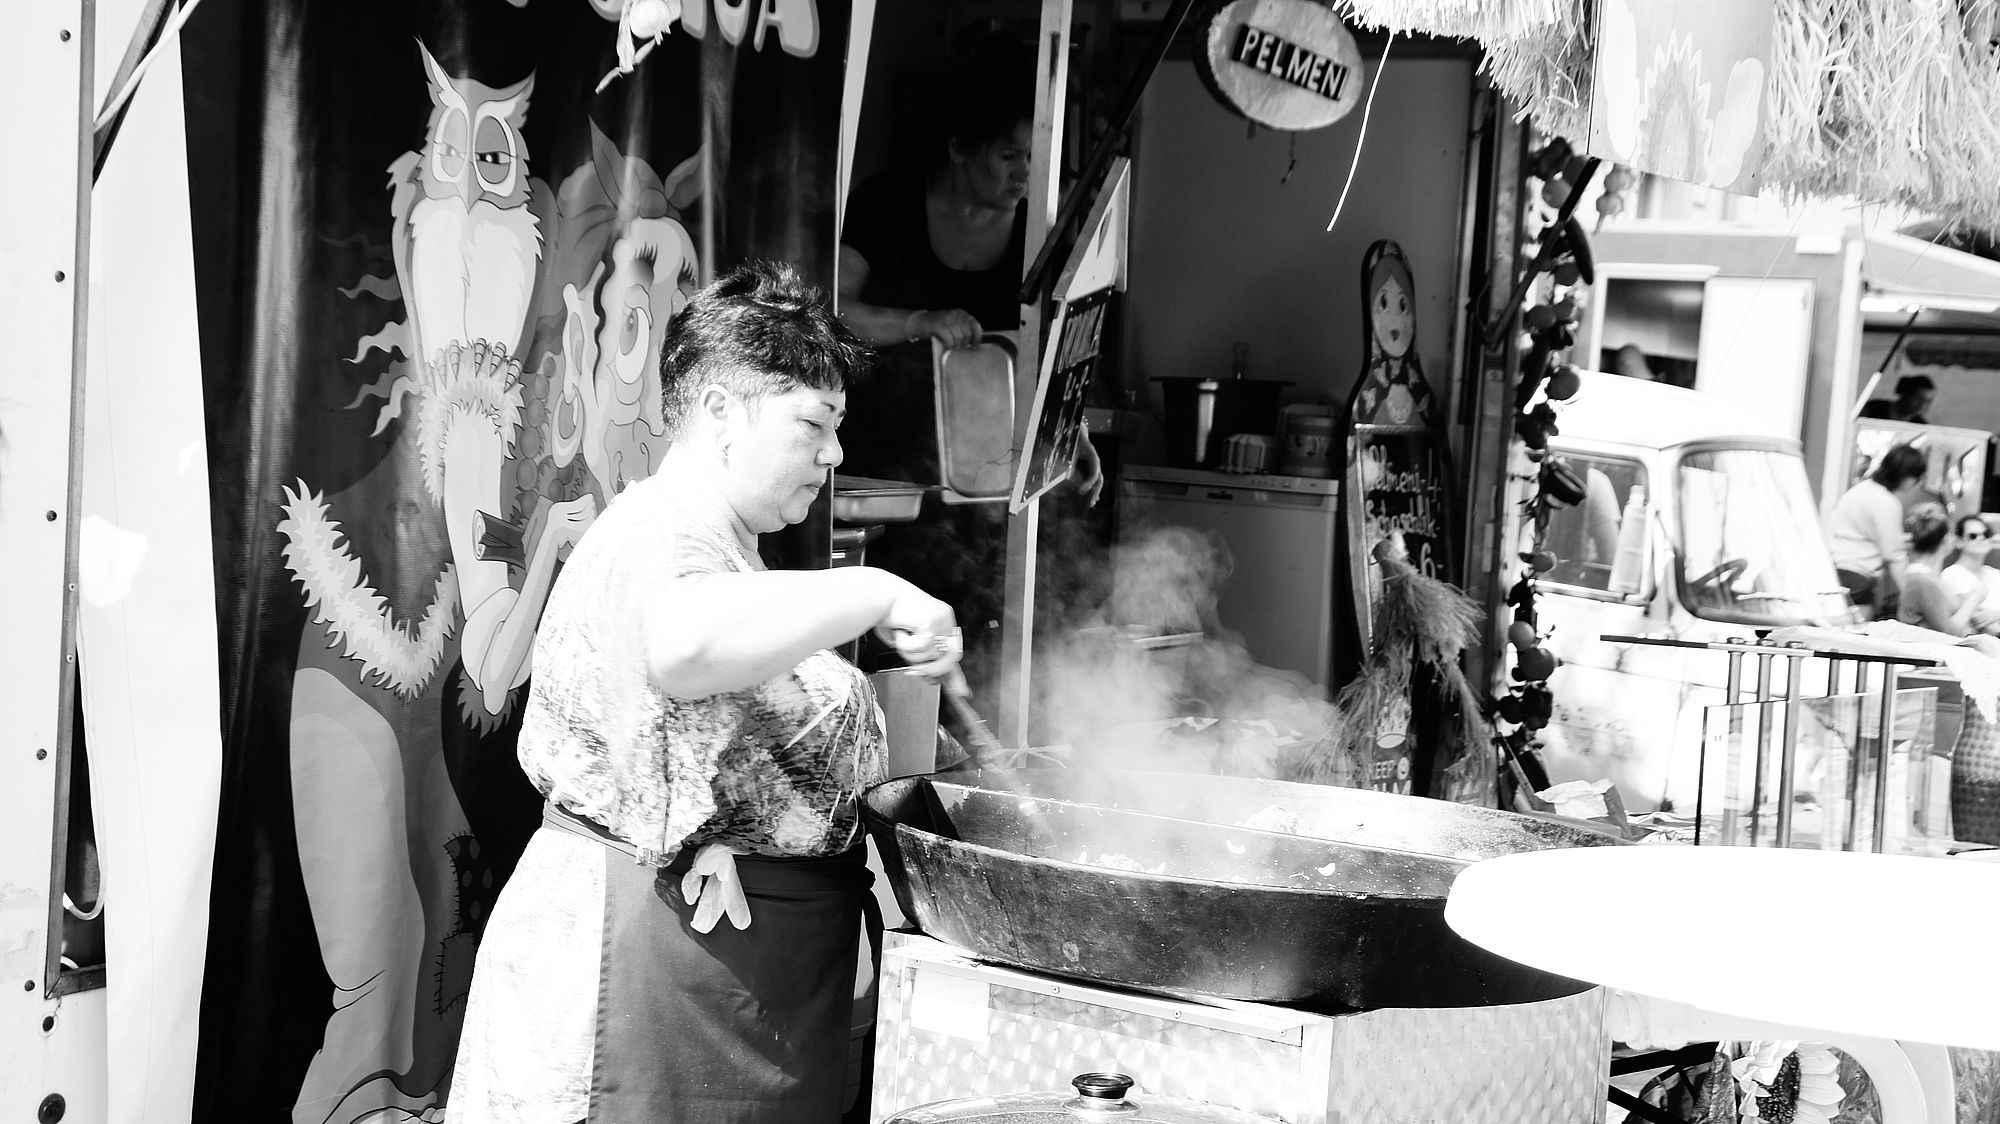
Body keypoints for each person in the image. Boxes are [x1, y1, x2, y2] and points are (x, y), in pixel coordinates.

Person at [447, 261, 963, 1124]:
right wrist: (874, 592)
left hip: (735, 979)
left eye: (837, 427)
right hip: (639, 978)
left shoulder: (730, 552)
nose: (834, 454)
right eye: (813, 423)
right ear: (723, 411)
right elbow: (681, 645)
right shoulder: (659, 534)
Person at [836, 32, 1099, 698]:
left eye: (1033, 157)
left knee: (993, 648)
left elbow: (1042, 354)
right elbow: (829, 309)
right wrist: (917, 322)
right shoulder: (888, 205)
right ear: (959, 147)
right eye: (1009, 155)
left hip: (988, 481)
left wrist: (1069, 429)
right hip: (888, 478)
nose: (1025, 173)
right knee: (893, 655)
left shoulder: (1041, 230)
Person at [1827, 443, 1927, 618]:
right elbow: (1894, 556)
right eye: (1916, 477)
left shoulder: (1861, 490)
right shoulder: (1886, 501)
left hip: (1834, 570)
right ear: (1904, 475)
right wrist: (1913, 601)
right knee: (1858, 631)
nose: (1917, 483)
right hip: (1857, 576)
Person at [1898, 504, 1985, 635]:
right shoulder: (1924, 581)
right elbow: (1948, 631)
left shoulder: (1922, 576)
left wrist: (1964, 599)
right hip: (1931, 646)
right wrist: (1973, 599)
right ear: (1946, 539)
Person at [1859, 374, 1936, 424]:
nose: (1922, 405)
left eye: (1928, 401)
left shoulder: (1921, 425)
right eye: (1919, 398)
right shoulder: (1873, 408)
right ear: (1907, 393)